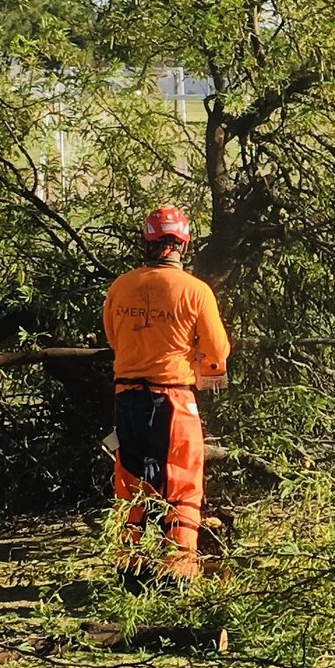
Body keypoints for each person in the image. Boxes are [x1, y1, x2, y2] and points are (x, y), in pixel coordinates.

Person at [102, 206, 230, 582]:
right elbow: (217, 353)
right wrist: (198, 365)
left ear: (147, 240)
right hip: (174, 399)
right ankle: (177, 574)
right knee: (183, 483)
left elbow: (113, 338)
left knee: (130, 483)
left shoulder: (120, 286)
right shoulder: (195, 290)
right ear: (184, 244)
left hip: (126, 398)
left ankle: (129, 571)